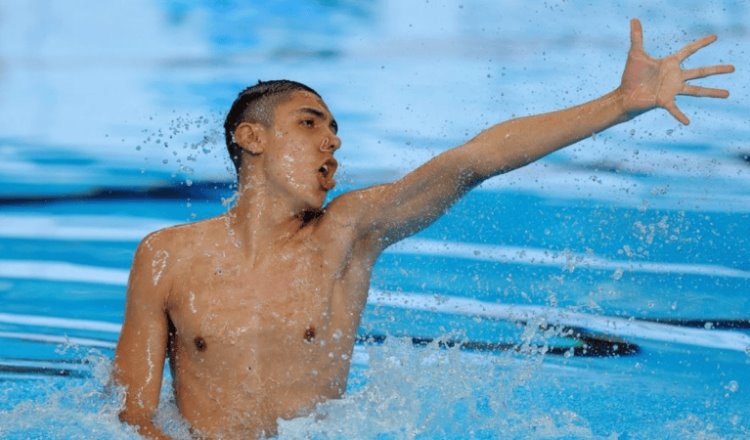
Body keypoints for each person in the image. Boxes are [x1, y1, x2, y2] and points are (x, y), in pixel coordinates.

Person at [113, 19, 734, 439]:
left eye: (336, 132)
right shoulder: (166, 256)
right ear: (251, 138)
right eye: (310, 124)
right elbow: (134, 414)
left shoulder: (347, 233)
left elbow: (471, 161)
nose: (332, 142)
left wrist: (619, 105)